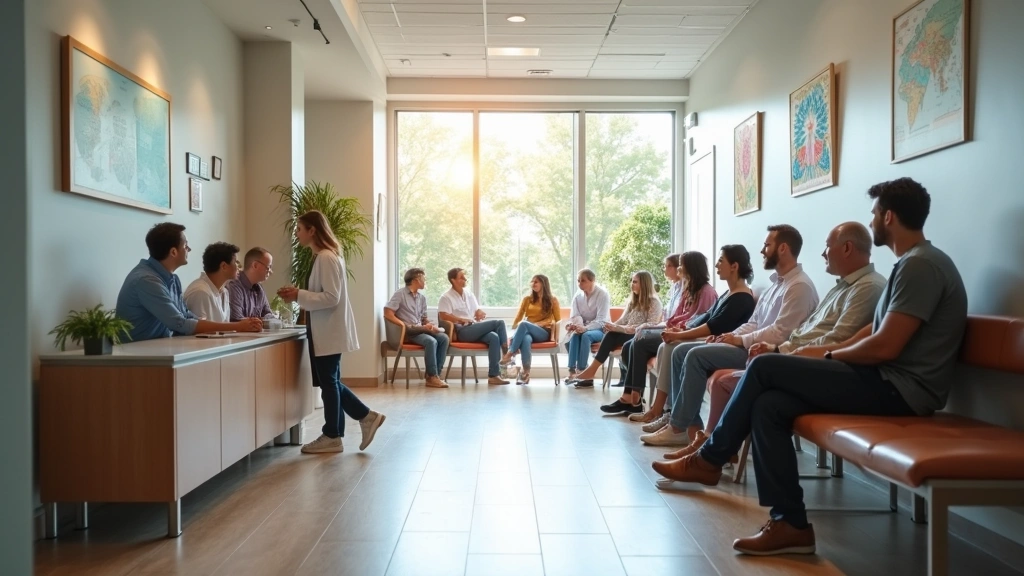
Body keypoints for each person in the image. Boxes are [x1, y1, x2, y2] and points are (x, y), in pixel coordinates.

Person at [653, 178, 967, 557]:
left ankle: (710, 459)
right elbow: (875, 331)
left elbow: (886, 345)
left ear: (889, 216)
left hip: (900, 390)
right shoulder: (910, 265)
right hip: (885, 381)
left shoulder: (921, 266)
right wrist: (817, 356)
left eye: (874, 215)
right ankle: (791, 524)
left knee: (766, 367)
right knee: (769, 406)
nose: (872, 223)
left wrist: (828, 357)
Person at [694, 222, 886, 444]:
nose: (823, 253)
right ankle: (711, 447)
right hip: (806, 358)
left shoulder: (867, 287)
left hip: (830, 368)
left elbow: (836, 340)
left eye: (827, 246)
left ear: (847, 248)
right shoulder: (842, 287)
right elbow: (802, 330)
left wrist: (778, 349)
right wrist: (770, 347)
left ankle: (709, 447)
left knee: (757, 365)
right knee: (768, 405)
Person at [641, 225, 820, 447]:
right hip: (748, 346)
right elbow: (753, 322)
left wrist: (739, 340)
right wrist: (729, 335)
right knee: (679, 352)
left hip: (766, 354)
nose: (763, 251)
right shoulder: (777, 284)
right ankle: (688, 427)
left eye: (767, 245)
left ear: (783, 248)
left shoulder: (799, 286)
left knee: (694, 355)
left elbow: (781, 333)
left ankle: (678, 428)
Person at [277, 210, 385, 454]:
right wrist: (299, 295)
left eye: (300, 229)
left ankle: (334, 433)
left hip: (329, 330)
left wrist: (298, 295)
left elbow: (331, 297)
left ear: (312, 230)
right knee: (330, 381)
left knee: (329, 383)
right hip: (326, 329)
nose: (297, 234)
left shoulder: (325, 257)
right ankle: (361, 419)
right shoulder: (326, 256)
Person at [600, 251, 718, 414]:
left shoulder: (706, 292)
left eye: (681, 265)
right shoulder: (687, 289)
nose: (678, 268)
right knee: (633, 342)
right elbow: (676, 316)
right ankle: (631, 398)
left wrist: (673, 327)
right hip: (675, 330)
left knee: (638, 341)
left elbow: (700, 321)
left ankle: (634, 399)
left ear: (691, 268)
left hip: (686, 336)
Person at [116, 223, 262, 342]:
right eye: (186, 246)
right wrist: (237, 326)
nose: (189, 249)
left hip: (159, 347)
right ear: (173, 252)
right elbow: (180, 323)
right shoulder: (146, 280)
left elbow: (186, 314)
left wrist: (204, 322)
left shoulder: (173, 279)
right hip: (138, 354)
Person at [570, 270, 663, 392]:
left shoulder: (654, 302)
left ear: (644, 284)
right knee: (610, 333)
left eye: (635, 282)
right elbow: (622, 320)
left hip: (641, 335)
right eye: (632, 281)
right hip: (626, 333)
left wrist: (620, 328)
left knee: (612, 334)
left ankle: (591, 371)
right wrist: (611, 326)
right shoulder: (632, 302)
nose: (631, 284)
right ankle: (588, 371)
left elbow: (651, 325)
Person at [437, 267, 510, 385]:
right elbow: (443, 316)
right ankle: (507, 353)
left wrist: (479, 313)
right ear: (453, 280)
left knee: (494, 337)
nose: (465, 279)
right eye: (461, 277)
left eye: (465, 276)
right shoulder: (446, 297)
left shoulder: (469, 294)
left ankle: (493, 375)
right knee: (499, 323)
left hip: (473, 328)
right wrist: (460, 319)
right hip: (462, 331)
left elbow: (476, 310)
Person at [385, 268, 450, 389]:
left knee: (444, 338)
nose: (425, 281)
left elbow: (423, 318)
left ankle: (435, 375)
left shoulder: (422, 298)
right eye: (423, 279)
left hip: (420, 329)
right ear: (416, 280)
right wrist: (402, 325)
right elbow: (387, 312)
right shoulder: (400, 294)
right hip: (409, 331)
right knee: (431, 341)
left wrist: (430, 325)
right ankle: (432, 376)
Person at [500, 275, 561, 385]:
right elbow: (519, 316)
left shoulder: (553, 300)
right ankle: (525, 373)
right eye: (532, 281)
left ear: (543, 283)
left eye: (536, 282)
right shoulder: (527, 299)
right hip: (528, 331)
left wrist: (541, 324)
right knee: (526, 339)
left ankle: (510, 352)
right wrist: (513, 332)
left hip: (543, 332)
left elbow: (558, 321)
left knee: (524, 324)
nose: (533, 284)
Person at [563, 268, 611, 382]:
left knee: (586, 335)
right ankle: (572, 371)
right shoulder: (577, 296)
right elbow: (575, 315)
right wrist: (577, 327)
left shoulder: (602, 294)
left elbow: (601, 320)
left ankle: (583, 371)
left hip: (600, 330)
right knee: (575, 335)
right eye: (578, 280)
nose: (580, 284)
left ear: (592, 280)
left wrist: (585, 328)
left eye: (583, 280)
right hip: (583, 328)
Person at [183, 242, 241, 323]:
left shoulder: (224, 292)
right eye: (236, 262)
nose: (239, 267)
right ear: (224, 266)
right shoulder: (200, 292)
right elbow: (199, 331)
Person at [229, 247, 275, 321]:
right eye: (268, 267)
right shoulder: (234, 286)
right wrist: (261, 320)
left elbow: (268, 314)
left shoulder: (259, 288)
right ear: (255, 265)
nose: (270, 271)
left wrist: (262, 319)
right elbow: (236, 320)